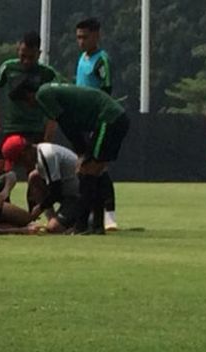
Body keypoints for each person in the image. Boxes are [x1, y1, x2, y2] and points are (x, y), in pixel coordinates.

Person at [17, 82, 129, 234]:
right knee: (95, 173)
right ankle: (96, 225)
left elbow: (66, 123)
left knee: (87, 172)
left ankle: (84, 226)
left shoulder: (42, 95)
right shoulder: (51, 89)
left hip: (108, 119)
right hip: (114, 118)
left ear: (28, 96)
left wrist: (81, 151)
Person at [0, 31, 60, 176]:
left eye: (31, 57)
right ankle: (3, 198)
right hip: (11, 127)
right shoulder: (8, 68)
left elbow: (55, 103)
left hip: (35, 128)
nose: (26, 61)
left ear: (39, 54)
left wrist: (49, 132)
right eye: (23, 56)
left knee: (34, 170)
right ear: (18, 50)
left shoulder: (47, 73)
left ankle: (36, 199)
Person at [75, 17, 118, 230]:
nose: (81, 42)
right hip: (83, 122)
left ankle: (108, 215)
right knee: (90, 170)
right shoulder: (81, 59)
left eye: (85, 37)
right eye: (78, 37)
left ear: (96, 35)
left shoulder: (102, 60)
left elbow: (106, 90)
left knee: (97, 168)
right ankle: (95, 218)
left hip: (98, 122)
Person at [4, 138, 81, 234]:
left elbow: (56, 191)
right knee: (34, 177)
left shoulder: (47, 155)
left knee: (54, 228)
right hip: (67, 193)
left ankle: (85, 219)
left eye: (20, 161)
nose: (21, 165)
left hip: (78, 197)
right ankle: (53, 219)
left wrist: (39, 208)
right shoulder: (39, 155)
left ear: (25, 152)